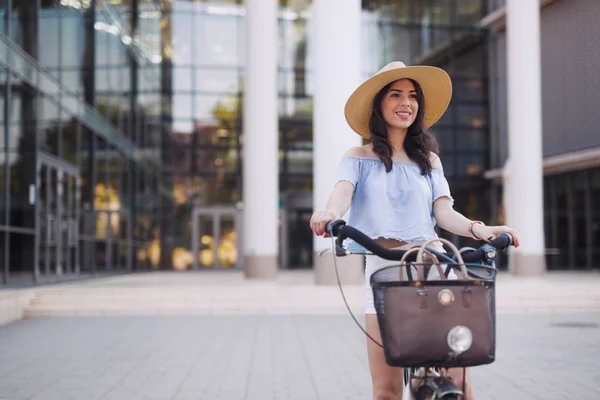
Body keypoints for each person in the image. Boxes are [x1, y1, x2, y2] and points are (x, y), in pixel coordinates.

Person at [309, 61, 520, 400]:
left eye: (412, 96)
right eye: (395, 95)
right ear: (379, 104)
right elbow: (341, 196)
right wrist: (328, 213)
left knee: (462, 385)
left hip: (433, 269)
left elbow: (444, 212)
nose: (406, 103)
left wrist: (483, 230)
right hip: (384, 275)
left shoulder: (429, 160)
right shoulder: (358, 157)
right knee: (386, 391)